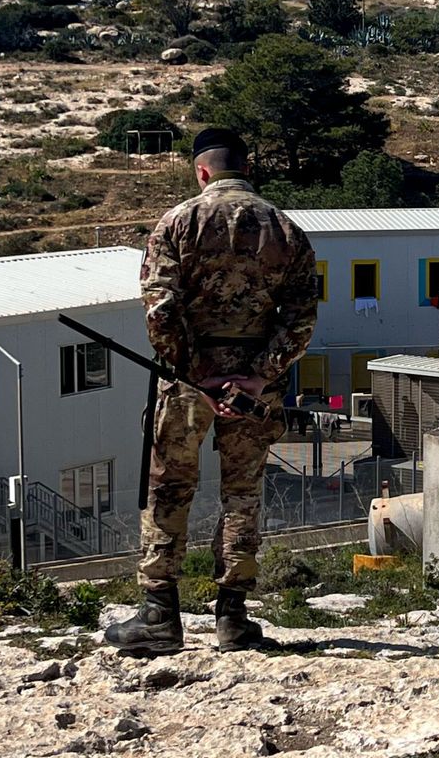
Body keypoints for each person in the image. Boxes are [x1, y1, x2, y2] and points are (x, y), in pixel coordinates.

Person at [105, 127, 318, 655]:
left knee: (168, 489)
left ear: (202, 171)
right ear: (247, 167)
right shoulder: (285, 228)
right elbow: (301, 315)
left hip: (187, 383)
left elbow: (161, 308)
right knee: (242, 495)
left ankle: (159, 615)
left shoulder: (178, 222)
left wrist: (194, 371)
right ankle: (233, 618)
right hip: (253, 386)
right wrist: (260, 374)